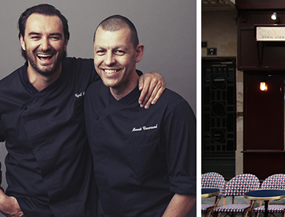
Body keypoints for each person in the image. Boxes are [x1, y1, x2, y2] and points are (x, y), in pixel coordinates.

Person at [0, 4, 165, 217]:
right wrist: (6, 205)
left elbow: (121, 74)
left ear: (66, 41)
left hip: (82, 206)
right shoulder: (3, 93)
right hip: (28, 208)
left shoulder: (86, 73)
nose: (45, 46)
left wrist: (151, 76)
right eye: (35, 37)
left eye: (54, 37)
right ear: (22, 41)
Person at [84, 15, 196, 216]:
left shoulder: (173, 109)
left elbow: (187, 190)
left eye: (119, 51)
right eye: (101, 51)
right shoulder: (90, 94)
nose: (109, 61)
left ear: (138, 53)